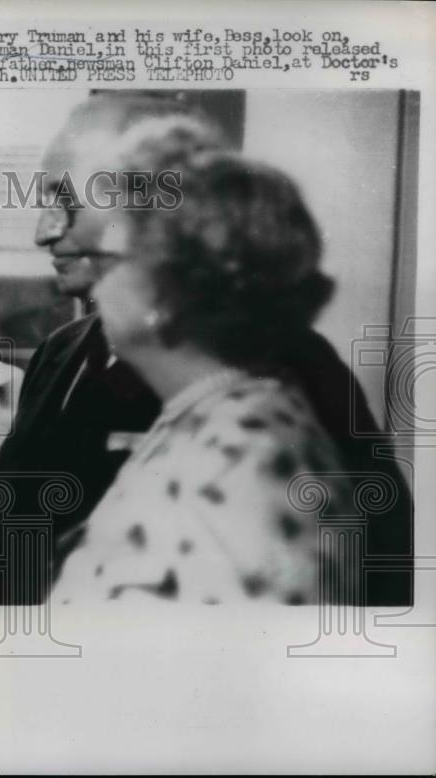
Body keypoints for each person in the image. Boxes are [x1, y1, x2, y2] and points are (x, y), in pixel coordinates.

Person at [0, 94, 412, 607]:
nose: (46, 231)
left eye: (68, 201)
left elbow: (382, 567)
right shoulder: (62, 351)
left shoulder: (290, 367)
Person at [53, 150, 353, 605]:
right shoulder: (229, 411)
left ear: (169, 294)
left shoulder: (238, 454)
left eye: (111, 260)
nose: (96, 279)